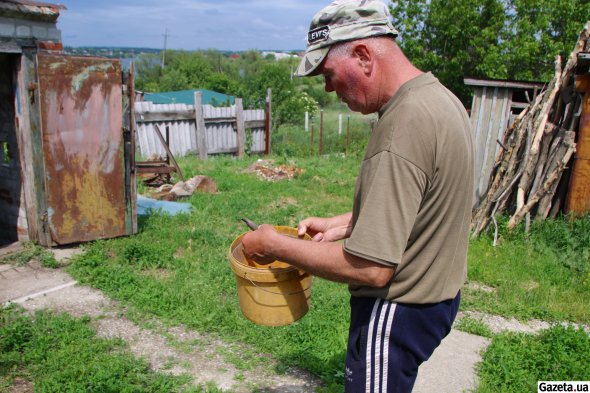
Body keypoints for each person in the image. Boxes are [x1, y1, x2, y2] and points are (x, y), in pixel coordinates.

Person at [242, 1, 474, 391]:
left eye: (328, 74)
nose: (328, 88)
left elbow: (370, 267)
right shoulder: (440, 101)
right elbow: (424, 202)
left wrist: (273, 244)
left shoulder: (403, 126)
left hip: (397, 310)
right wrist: (342, 224)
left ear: (364, 56)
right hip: (437, 300)